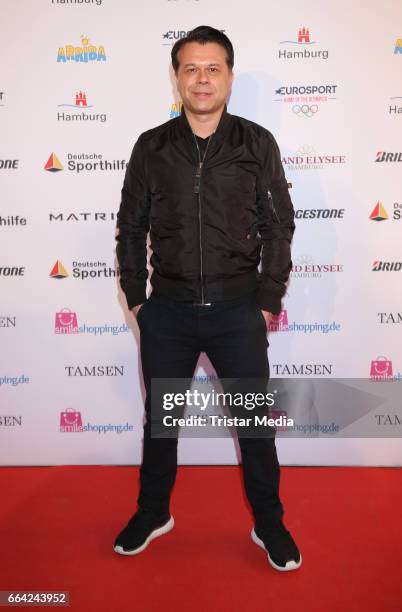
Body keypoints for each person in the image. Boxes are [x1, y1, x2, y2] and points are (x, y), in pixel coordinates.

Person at [114, 25, 301, 571]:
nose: (202, 79)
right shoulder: (151, 147)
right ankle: (154, 513)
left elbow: (279, 225)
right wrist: (136, 296)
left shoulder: (256, 143)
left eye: (212, 68)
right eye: (191, 68)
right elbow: (130, 226)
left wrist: (267, 297)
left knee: (254, 427)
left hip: (237, 312)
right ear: (176, 77)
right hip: (167, 313)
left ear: (229, 77)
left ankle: (269, 523)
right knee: (160, 422)